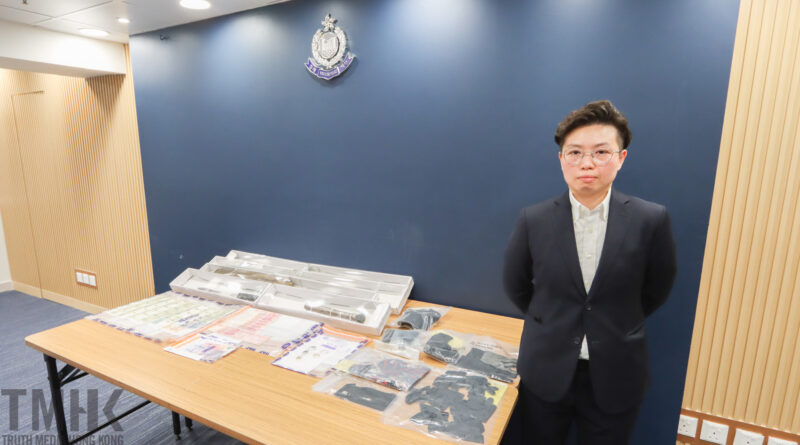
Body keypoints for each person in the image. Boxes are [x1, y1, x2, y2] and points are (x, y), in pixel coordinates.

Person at [503, 100, 677, 444]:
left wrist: (611, 318)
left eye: (601, 152)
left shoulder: (651, 219)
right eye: (575, 153)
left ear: (621, 158)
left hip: (617, 370)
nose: (587, 163)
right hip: (546, 368)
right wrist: (554, 320)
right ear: (561, 159)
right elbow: (516, 285)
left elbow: (658, 288)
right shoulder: (533, 220)